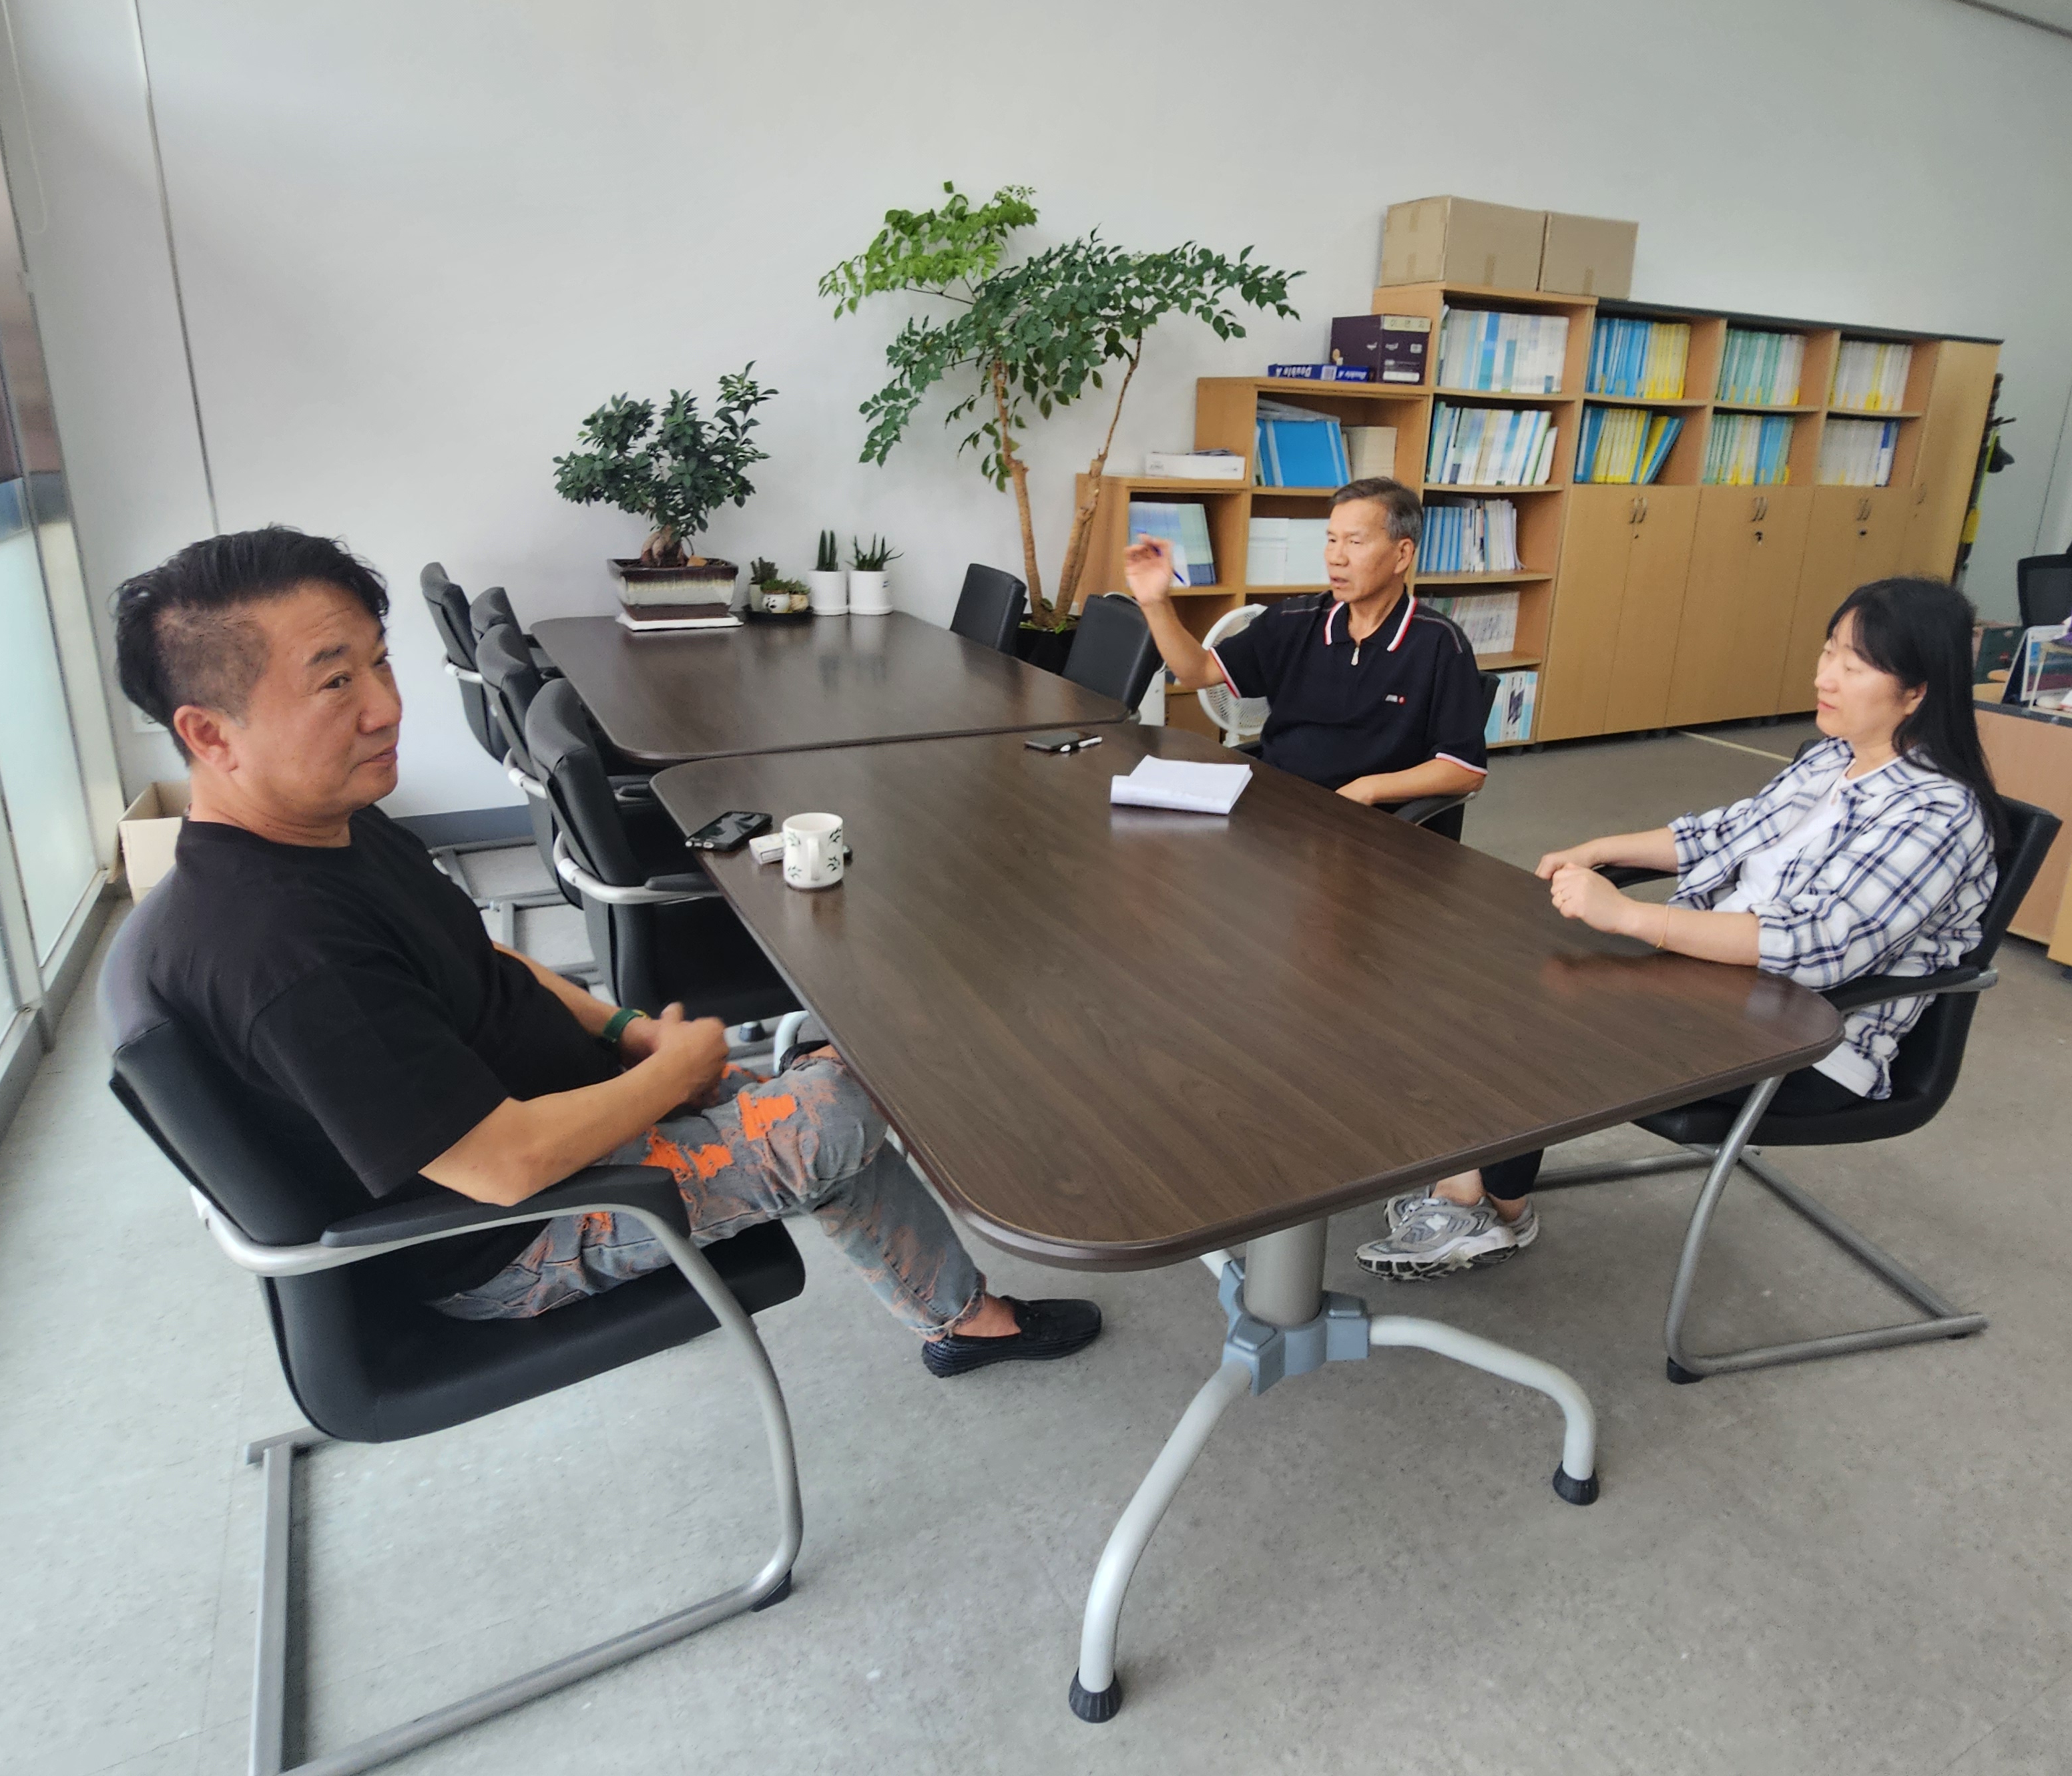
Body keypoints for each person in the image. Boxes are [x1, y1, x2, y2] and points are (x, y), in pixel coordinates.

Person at [110, 527, 1100, 1377]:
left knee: (838, 1072)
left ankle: (963, 1319)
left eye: (380, 663)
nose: (385, 707)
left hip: (567, 1117)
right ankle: (983, 1287)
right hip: (515, 1236)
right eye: (335, 682)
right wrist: (672, 1072)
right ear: (211, 734)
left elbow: (490, 965)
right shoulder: (280, 951)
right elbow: (503, 1167)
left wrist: (627, 1030)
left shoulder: (332, 828)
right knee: (860, 1091)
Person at [1358, 574, 2005, 1281]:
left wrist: (1631, 916)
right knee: (1498, 964)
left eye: (1854, 666)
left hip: (1809, 1042)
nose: (1825, 678)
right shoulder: (1833, 758)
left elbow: (1812, 948)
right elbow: (1718, 835)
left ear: (1916, 692)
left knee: (1536, 1010)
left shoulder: (1937, 813)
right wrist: (1598, 849)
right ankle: (1480, 1196)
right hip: (1717, 986)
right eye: (1828, 653)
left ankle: (1485, 1206)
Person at [1123, 477, 1489, 808]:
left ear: (1402, 554)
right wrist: (1155, 602)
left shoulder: (1440, 644)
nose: (1336, 557)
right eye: (1331, 540)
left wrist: (1368, 789)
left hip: (1366, 825)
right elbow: (1197, 672)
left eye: (1354, 542)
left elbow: (1465, 770)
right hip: (1277, 804)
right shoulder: (1294, 620)